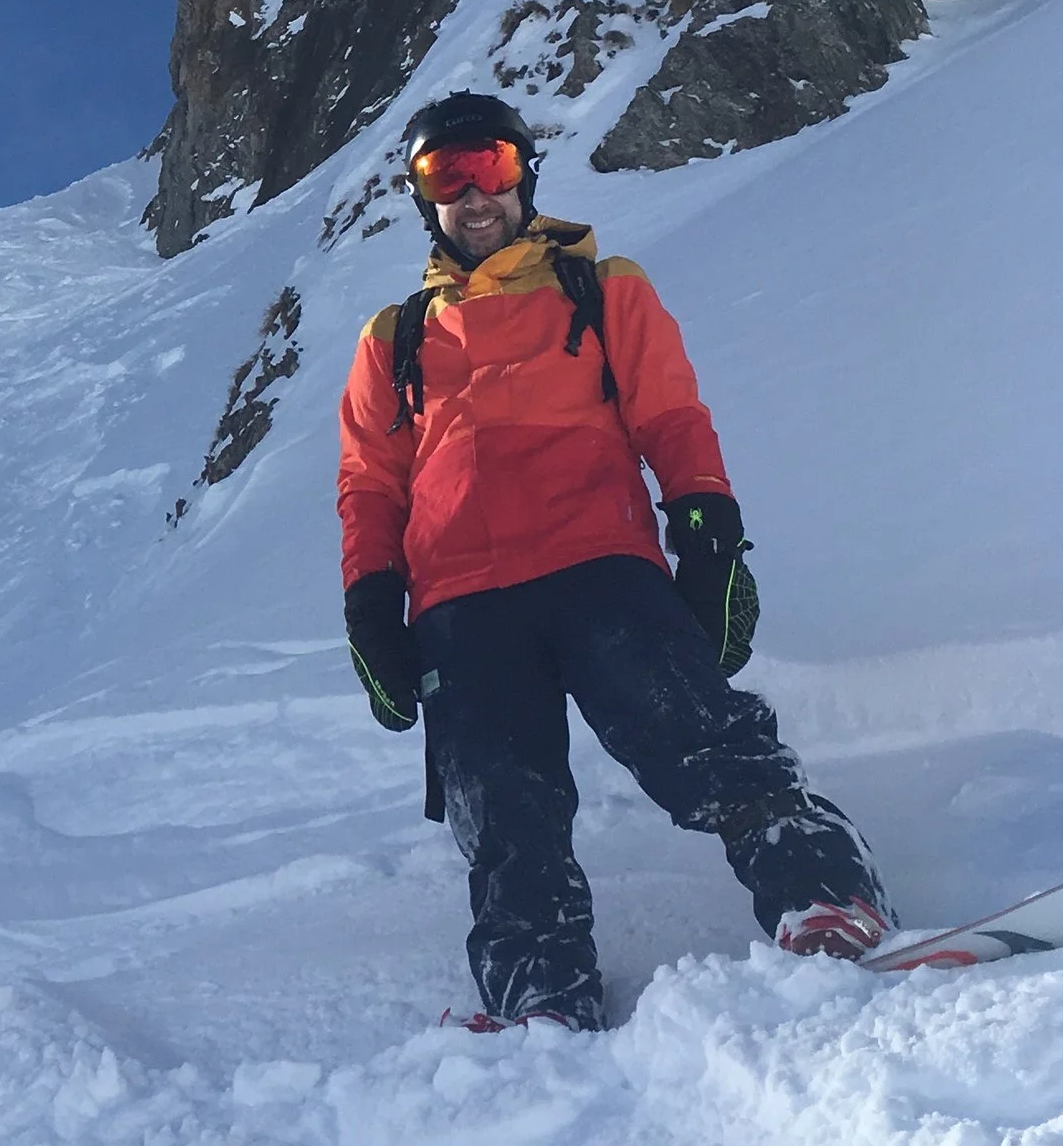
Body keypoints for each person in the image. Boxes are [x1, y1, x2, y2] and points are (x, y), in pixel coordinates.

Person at [336, 91, 892, 1032]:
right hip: (461, 603)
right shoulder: (392, 340)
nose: (474, 195)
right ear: (422, 198)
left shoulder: (600, 288)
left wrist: (709, 533)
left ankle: (823, 897)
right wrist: (369, 604)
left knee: (705, 742)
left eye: (493, 168)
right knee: (502, 813)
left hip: (598, 561)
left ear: (524, 177)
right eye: (447, 175)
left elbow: (670, 413)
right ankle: (540, 994)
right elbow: (370, 483)